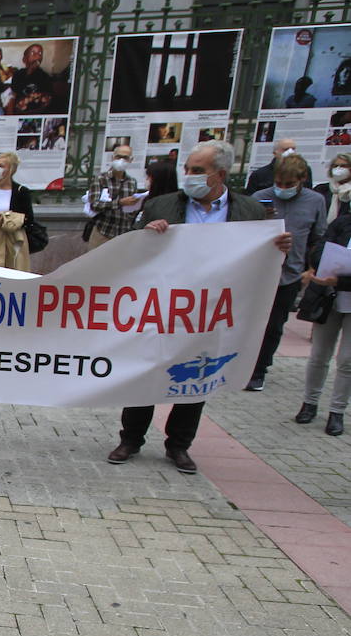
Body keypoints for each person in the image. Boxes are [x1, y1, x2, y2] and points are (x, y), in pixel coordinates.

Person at [108, 140, 293, 473]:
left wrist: (279, 248)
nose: (188, 175)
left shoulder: (249, 211)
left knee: (196, 375)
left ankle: (179, 445)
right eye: (187, 168)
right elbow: (134, 251)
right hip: (165, 305)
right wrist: (148, 233)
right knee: (146, 369)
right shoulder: (161, 205)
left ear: (219, 174)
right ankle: (131, 439)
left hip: (212, 310)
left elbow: (262, 259)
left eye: (197, 170)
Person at [246, 153, 326, 392]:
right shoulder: (259, 198)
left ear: (301, 180)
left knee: (274, 325)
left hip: (289, 276)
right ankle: (244, 364)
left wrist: (311, 269)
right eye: (278, 183)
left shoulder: (315, 201)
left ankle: (260, 370)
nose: (282, 188)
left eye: (288, 185)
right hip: (256, 275)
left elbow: (318, 238)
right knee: (249, 323)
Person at [296, 215, 351, 436]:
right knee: (319, 354)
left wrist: (340, 280)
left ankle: (337, 411)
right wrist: (324, 268)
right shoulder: (343, 222)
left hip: (340, 288)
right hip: (329, 297)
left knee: (347, 360)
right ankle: (309, 403)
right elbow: (319, 250)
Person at [85, 144, 140, 249]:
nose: (121, 160)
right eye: (118, 157)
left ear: (131, 160)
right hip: (103, 231)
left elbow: (133, 208)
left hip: (124, 233)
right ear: (113, 157)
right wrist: (119, 203)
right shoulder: (101, 179)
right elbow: (94, 204)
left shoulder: (132, 182)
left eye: (125, 158)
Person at [8, 43, 54, 114]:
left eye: (40, 53)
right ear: (24, 59)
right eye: (33, 52)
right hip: (19, 113)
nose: (37, 55)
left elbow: (47, 98)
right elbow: (13, 95)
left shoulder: (44, 76)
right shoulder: (18, 74)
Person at [313, 152, 351, 224]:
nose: (338, 169)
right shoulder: (321, 189)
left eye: (343, 166)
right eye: (335, 166)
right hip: (323, 232)